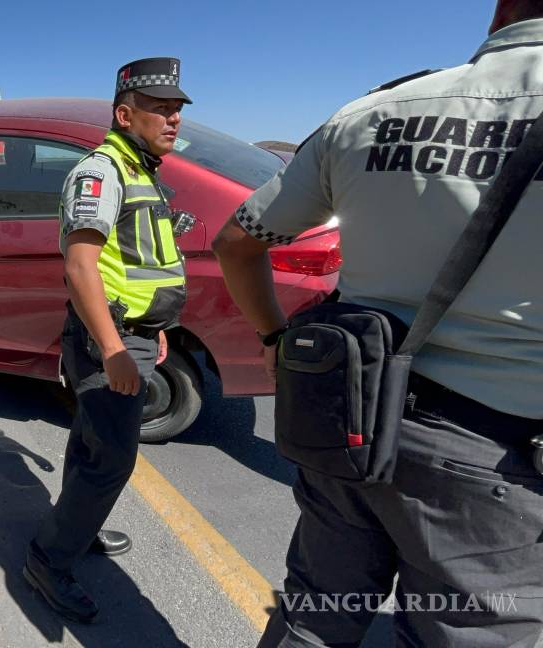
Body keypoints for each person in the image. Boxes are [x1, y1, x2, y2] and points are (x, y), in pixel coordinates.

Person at [212, 2, 543, 645]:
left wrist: (277, 341)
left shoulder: (369, 114)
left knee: (315, 617)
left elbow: (236, 241)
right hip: (496, 460)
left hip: (351, 420)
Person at [24, 57, 195, 623]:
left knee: (92, 443)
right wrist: (118, 347)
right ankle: (49, 561)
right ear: (125, 115)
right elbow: (80, 267)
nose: (172, 119)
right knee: (112, 460)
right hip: (109, 339)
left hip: (135, 335)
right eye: (159, 109)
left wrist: (156, 330)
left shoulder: (142, 170)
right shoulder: (103, 172)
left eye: (176, 109)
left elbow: (143, 260)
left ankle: (76, 526)